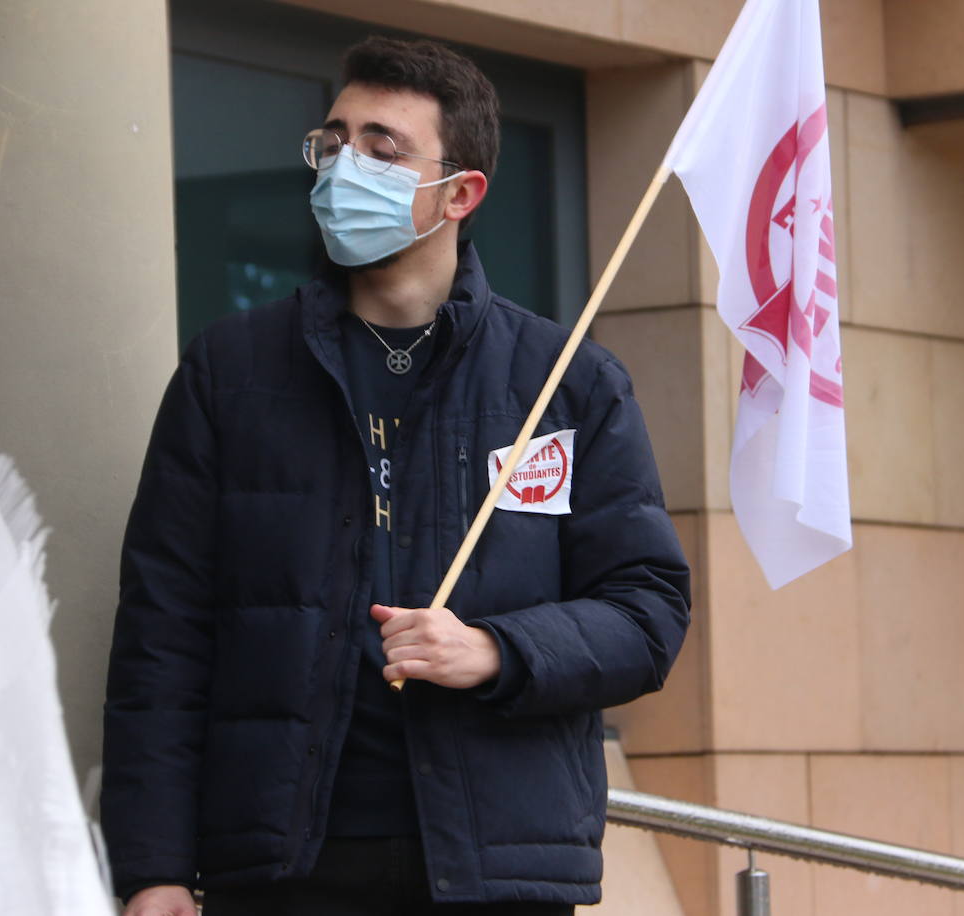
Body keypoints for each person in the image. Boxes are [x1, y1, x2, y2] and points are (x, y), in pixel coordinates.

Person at [102, 35, 690, 916]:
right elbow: (163, 635)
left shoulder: (569, 380)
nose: (345, 165)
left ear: (460, 193)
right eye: (333, 140)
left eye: (382, 147)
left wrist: (496, 650)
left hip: (494, 870)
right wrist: (151, 868)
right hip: (281, 870)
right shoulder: (231, 371)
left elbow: (648, 612)